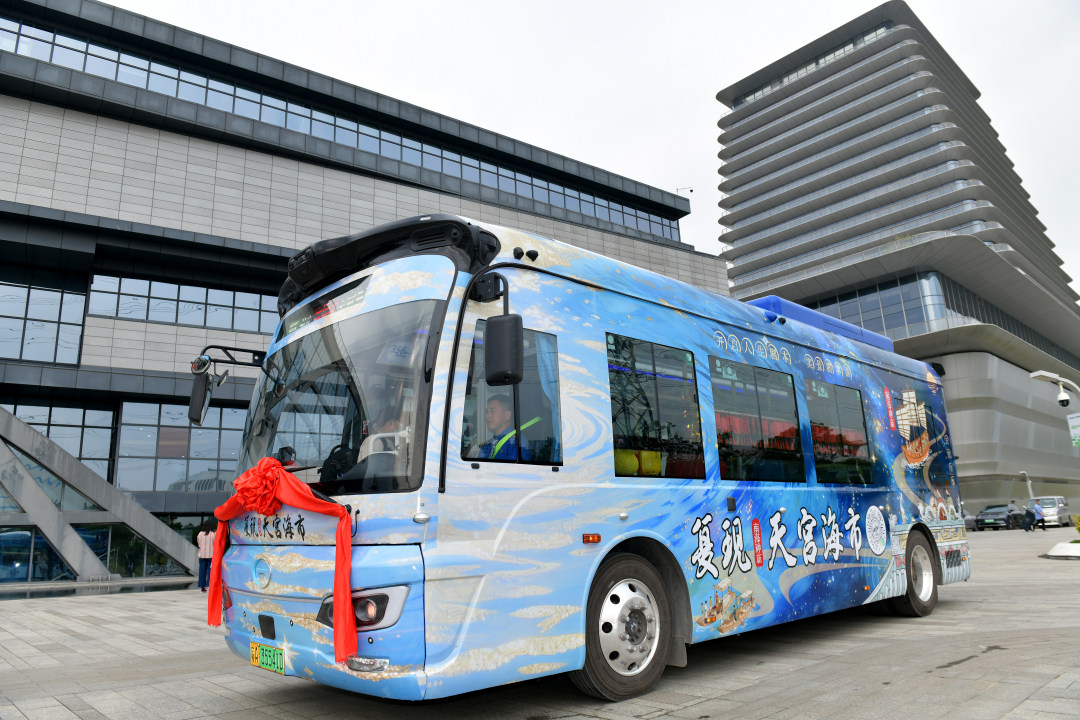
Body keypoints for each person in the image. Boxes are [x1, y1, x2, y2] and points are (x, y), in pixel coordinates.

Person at [478, 395, 529, 461]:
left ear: (507, 415)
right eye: (487, 412)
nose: (487, 415)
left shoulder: (516, 442)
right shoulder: (487, 445)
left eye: (492, 411)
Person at [196, 521, 215, 592]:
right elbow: (215, 543)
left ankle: (202, 587)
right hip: (210, 555)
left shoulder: (200, 534)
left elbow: (199, 544)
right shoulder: (212, 534)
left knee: (202, 571)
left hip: (202, 555)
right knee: (210, 572)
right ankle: (208, 585)